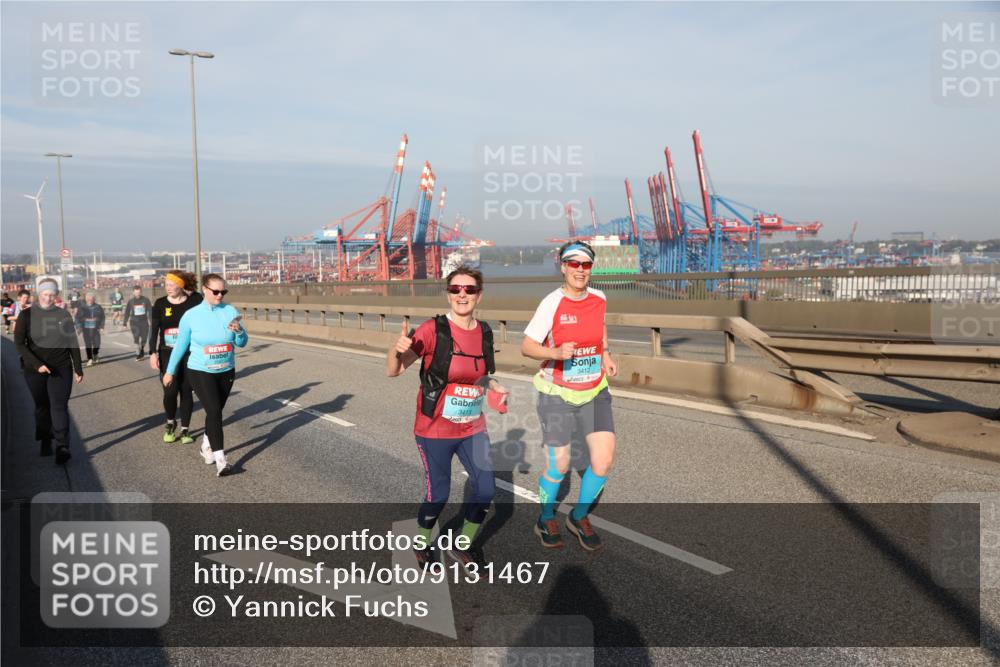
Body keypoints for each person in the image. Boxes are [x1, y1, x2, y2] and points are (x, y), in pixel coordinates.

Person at [386, 266, 509, 568]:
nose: (462, 295)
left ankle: (462, 545)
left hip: (472, 427)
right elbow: (395, 370)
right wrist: (396, 350)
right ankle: (423, 542)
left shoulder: (485, 332)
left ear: (479, 294)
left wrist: (495, 389)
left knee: (486, 489)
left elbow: (481, 377)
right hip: (435, 429)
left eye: (469, 289)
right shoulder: (433, 329)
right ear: (448, 294)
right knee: (438, 494)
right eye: (455, 289)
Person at [521, 241, 618, 552]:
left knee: (602, 462)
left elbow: (599, 329)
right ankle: (545, 517)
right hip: (557, 393)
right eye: (573, 263)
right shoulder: (552, 303)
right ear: (562, 266)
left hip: (595, 390)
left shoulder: (600, 298)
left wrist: (605, 354)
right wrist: (554, 352)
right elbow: (527, 346)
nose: (579, 269)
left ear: (591, 268)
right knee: (560, 465)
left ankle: (577, 517)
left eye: (585, 264)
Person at [163, 274, 248, 477]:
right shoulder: (191, 315)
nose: (220, 295)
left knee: (215, 412)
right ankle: (221, 460)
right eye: (216, 291)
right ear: (205, 289)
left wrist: (238, 332)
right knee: (215, 412)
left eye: (223, 292)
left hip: (226, 369)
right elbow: (181, 346)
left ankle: (206, 445)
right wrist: (170, 371)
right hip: (200, 370)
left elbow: (242, 342)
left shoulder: (230, 311)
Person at [14, 278, 83, 464]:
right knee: (42, 407)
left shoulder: (63, 315)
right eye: (45, 294)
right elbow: (20, 344)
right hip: (34, 370)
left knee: (59, 406)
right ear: (39, 294)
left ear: (56, 296)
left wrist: (78, 368)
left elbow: (72, 343)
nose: (48, 298)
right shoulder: (26, 315)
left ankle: (62, 446)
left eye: (52, 295)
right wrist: (37, 364)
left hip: (61, 368)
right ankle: (45, 438)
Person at [149, 271, 201, 444]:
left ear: (180, 286)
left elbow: (202, 300)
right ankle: (170, 423)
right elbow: (154, 330)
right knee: (170, 391)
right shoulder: (160, 303)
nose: (168, 288)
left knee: (186, 391)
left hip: (189, 354)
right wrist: (152, 353)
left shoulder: (193, 301)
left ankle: (185, 430)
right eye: (166, 285)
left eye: (172, 285)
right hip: (166, 352)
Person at [74, 293, 106, 366]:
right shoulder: (82, 308)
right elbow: (77, 319)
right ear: (86, 299)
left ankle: (95, 354)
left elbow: (102, 317)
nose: (90, 301)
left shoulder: (98, 307)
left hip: (96, 329)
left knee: (97, 344)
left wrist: (101, 327)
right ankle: (90, 359)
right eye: (88, 299)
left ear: (94, 299)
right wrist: (79, 328)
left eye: (91, 299)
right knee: (88, 344)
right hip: (86, 329)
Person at [123, 285, 152, 360]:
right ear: (133, 292)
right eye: (136, 293)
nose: (137, 294)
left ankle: (141, 349)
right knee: (136, 337)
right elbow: (127, 312)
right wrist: (124, 323)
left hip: (144, 322)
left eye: (139, 292)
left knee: (144, 338)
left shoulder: (146, 300)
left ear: (141, 292)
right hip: (134, 322)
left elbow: (150, 311)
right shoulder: (131, 301)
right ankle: (138, 353)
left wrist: (151, 321)